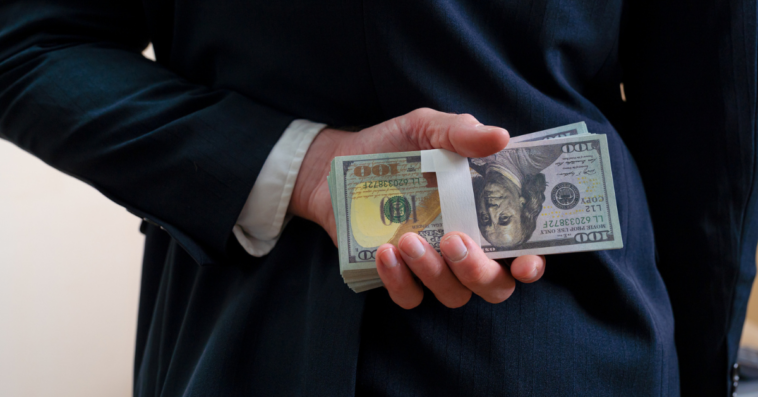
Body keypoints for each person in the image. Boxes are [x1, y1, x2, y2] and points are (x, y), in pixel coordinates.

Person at [0, 1, 755, 396]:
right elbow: (716, 127)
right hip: (564, 345)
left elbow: (25, 43)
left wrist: (291, 164)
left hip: (240, 341)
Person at [469, 146, 562, 249]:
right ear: (522, 204)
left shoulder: (467, 159)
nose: (491, 210)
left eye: (485, 218)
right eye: (504, 218)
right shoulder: (541, 155)